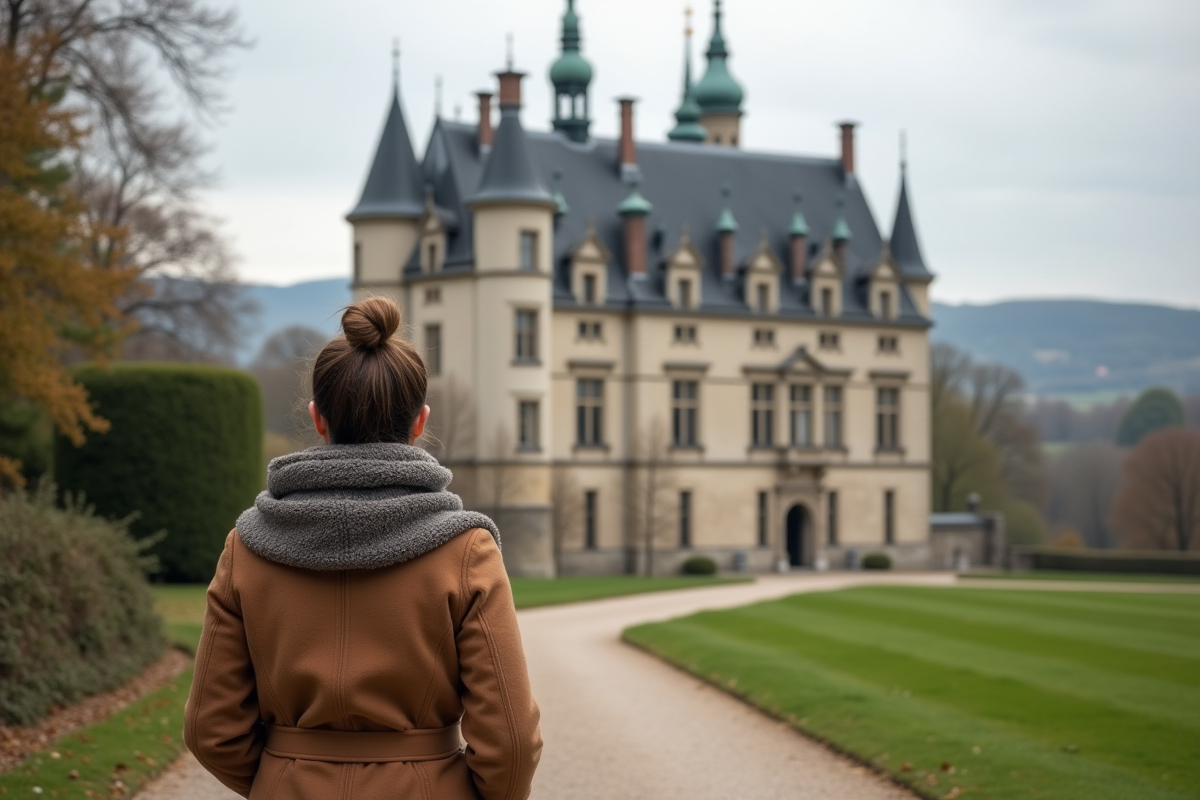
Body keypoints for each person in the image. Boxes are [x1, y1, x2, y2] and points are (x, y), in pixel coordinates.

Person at [184, 297, 542, 799]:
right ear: (420, 422)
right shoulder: (467, 551)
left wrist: (280, 777)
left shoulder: (246, 547)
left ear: (318, 418)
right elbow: (512, 743)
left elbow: (209, 729)